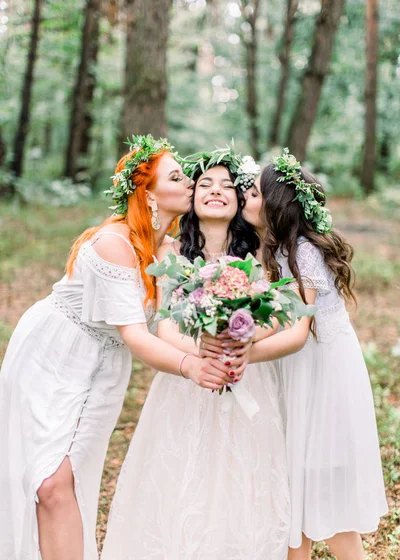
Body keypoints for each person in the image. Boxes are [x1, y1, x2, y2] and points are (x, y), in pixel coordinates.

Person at [0, 135, 236, 560]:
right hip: (55, 351)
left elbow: (166, 324)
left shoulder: (167, 249)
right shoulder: (116, 243)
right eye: (178, 177)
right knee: (46, 480)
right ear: (147, 193)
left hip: (105, 365)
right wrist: (191, 367)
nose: (191, 183)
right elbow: (135, 334)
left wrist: (216, 344)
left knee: (63, 481)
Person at [101, 147, 291, 560]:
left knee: (242, 478)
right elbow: (165, 325)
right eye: (205, 184)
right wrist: (201, 356)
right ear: (191, 198)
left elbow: (278, 313)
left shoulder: (259, 249)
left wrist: (245, 338)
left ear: (241, 199)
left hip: (247, 374)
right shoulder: (169, 254)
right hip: (186, 381)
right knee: (182, 481)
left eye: (227, 185)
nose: (216, 191)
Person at [204, 149, 388, 560]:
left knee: (317, 476)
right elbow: (282, 318)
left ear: (274, 204)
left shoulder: (302, 251)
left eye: (251, 194)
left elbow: (300, 331)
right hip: (304, 369)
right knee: (295, 483)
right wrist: (243, 334)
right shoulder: (279, 250)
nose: (244, 199)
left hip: (325, 372)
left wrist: (245, 353)